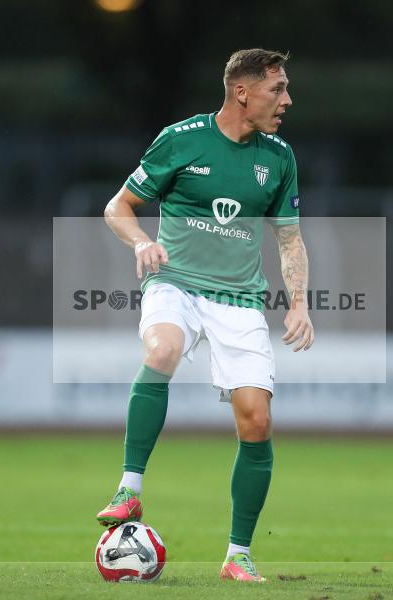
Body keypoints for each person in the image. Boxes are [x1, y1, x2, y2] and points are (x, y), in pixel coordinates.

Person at [98, 48, 313, 582]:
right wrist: (140, 242)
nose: (286, 100)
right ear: (242, 92)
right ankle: (129, 490)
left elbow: (289, 239)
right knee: (162, 349)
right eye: (277, 89)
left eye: (285, 90)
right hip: (174, 282)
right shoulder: (182, 139)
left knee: (257, 422)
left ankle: (237, 556)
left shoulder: (279, 157)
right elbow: (116, 207)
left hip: (238, 299)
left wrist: (301, 303)